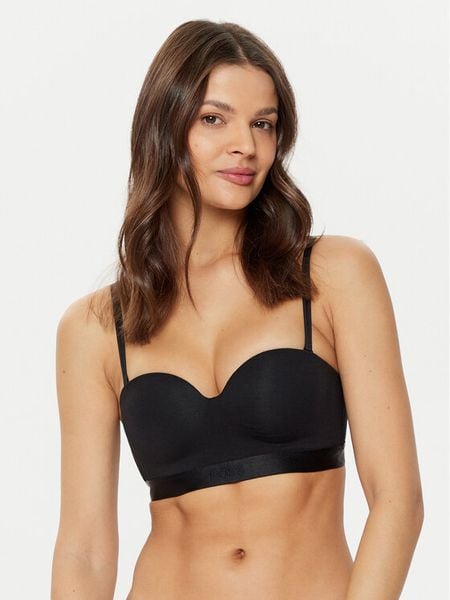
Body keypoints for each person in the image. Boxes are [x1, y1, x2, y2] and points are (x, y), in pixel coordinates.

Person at [51, 19, 424, 600]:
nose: (245, 145)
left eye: (263, 123)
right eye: (213, 118)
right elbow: (85, 550)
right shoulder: (95, 328)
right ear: (164, 127)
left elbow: (397, 501)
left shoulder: (333, 276)